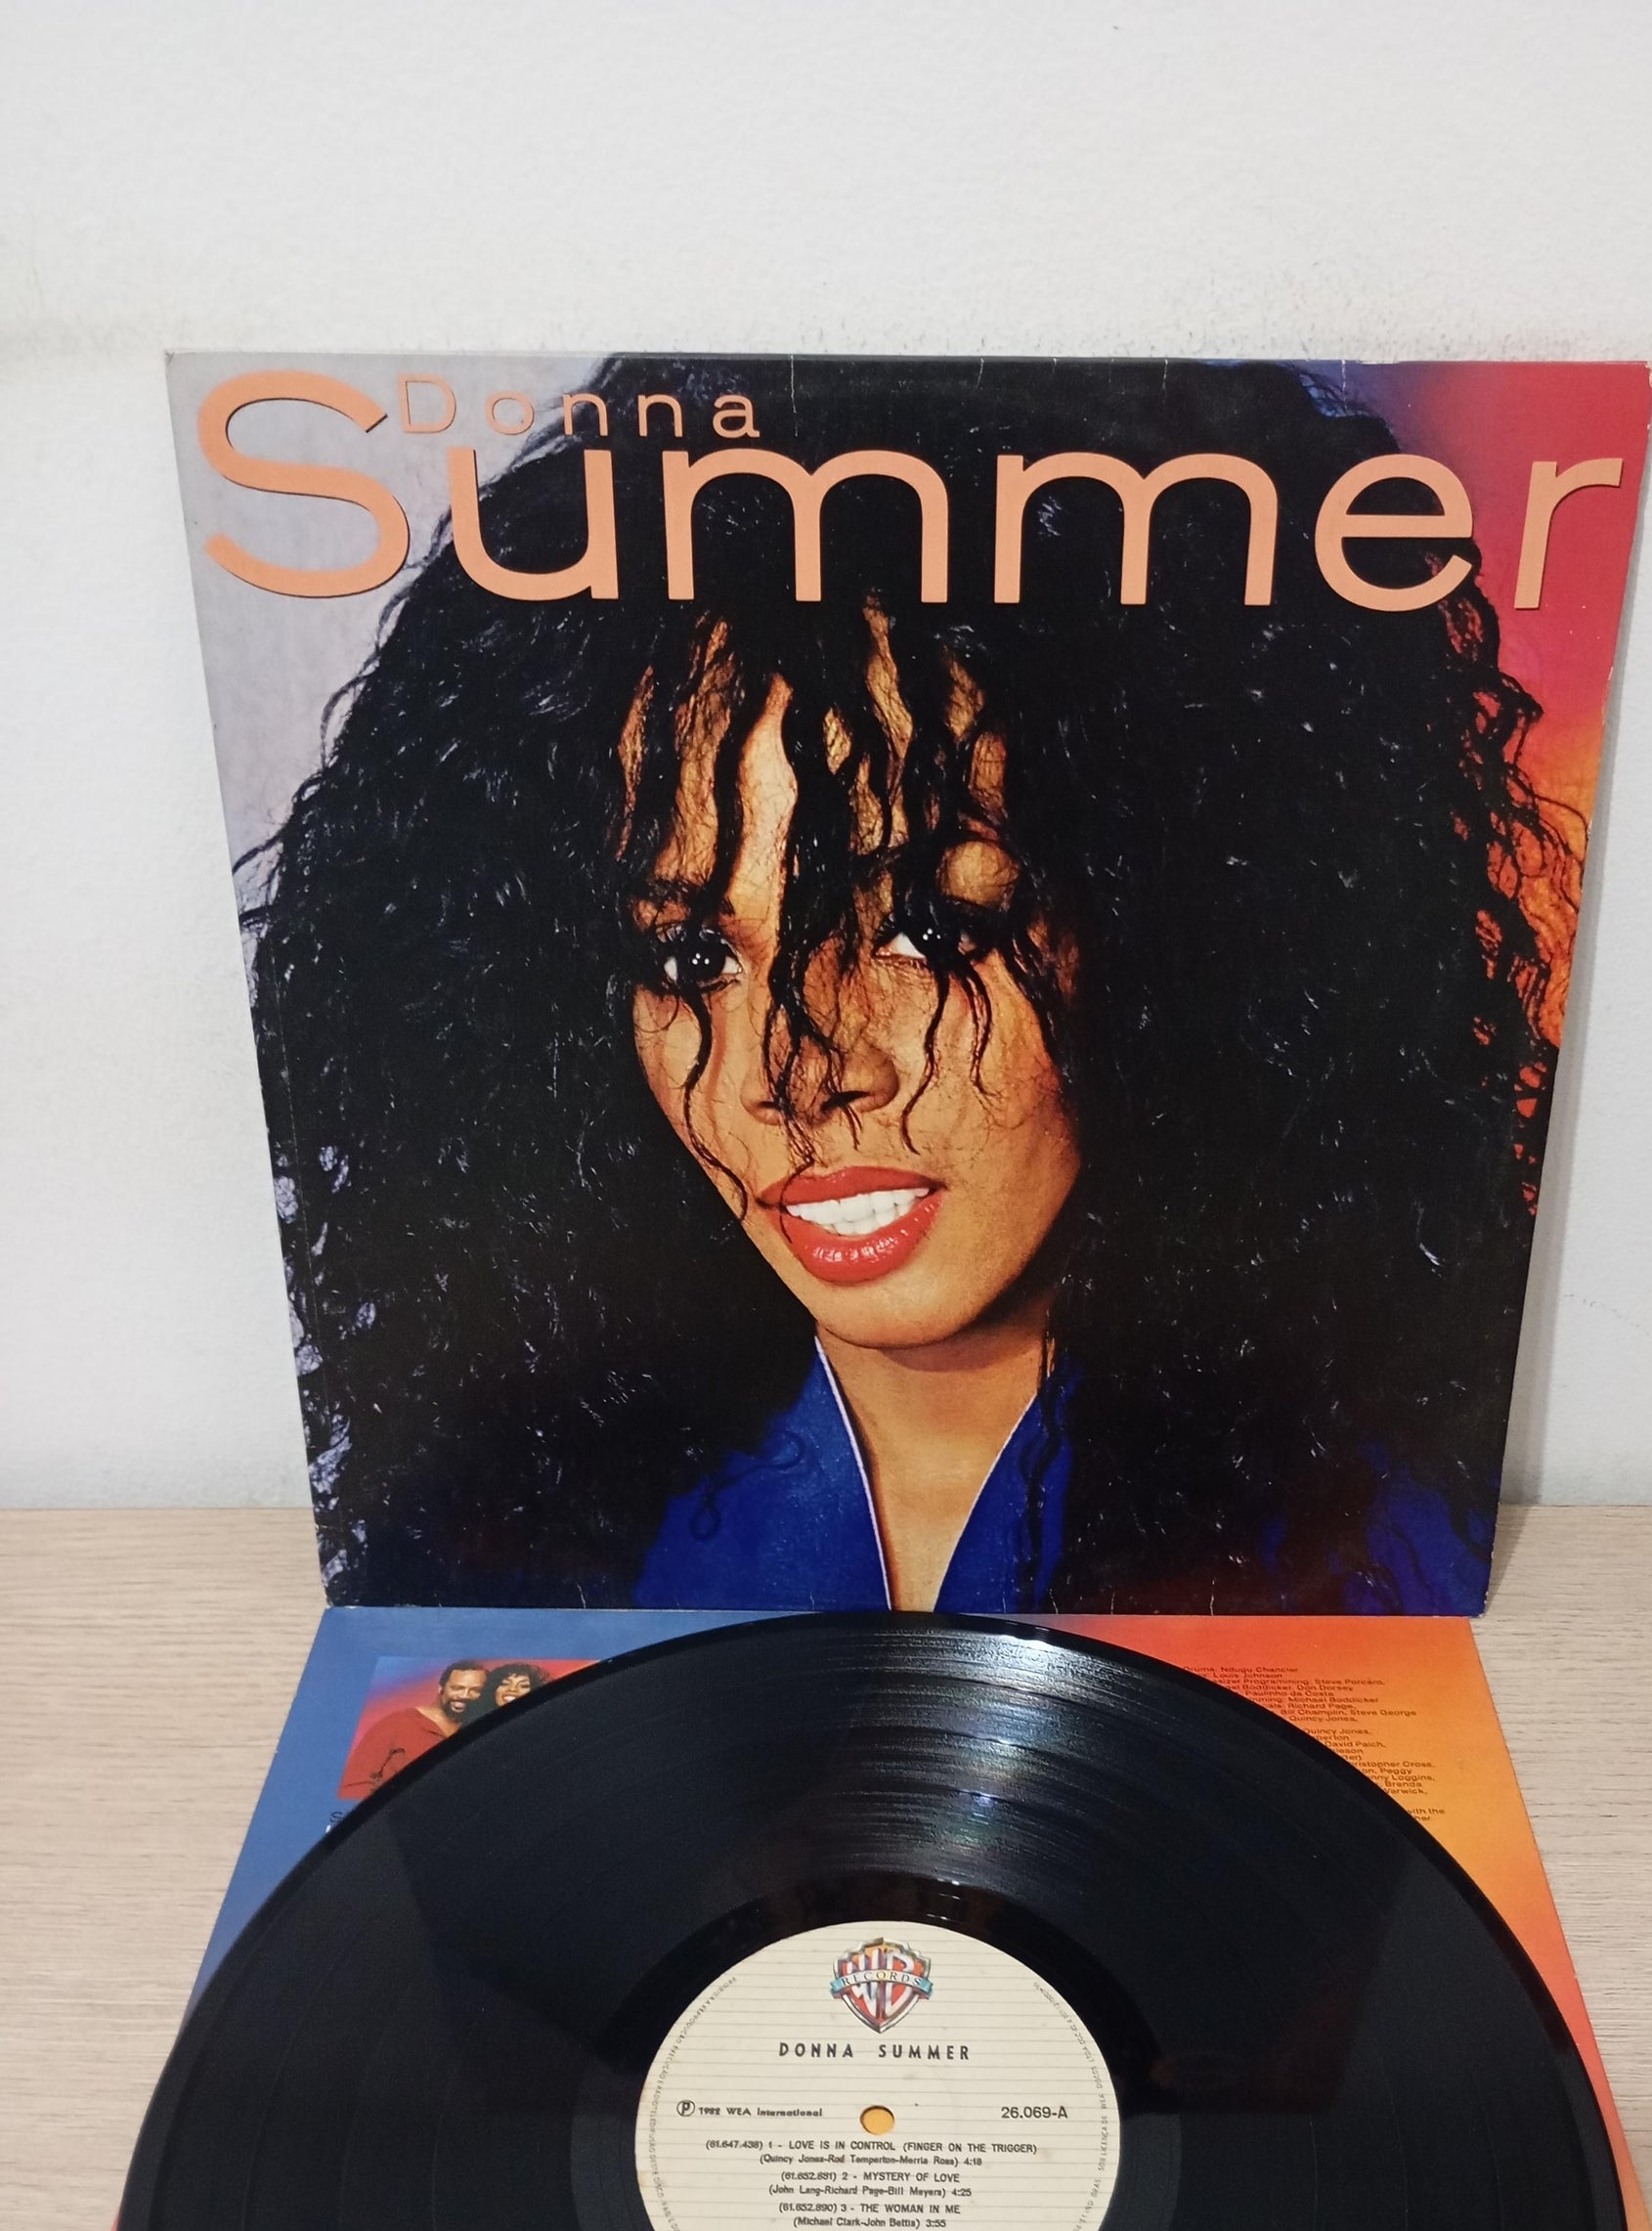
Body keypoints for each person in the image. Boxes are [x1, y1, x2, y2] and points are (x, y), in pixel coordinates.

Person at [254, 360, 1563, 1613]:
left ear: (1179, 928)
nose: (798, 1070)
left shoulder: (1398, 1547)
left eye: (927, 928)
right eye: (691, 957)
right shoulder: (522, 1550)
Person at [337, 1659, 488, 1800]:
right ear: (441, 1688)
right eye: (457, 1688)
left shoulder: (479, 1729)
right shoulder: (398, 1723)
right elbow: (355, 1784)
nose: (464, 1695)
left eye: (475, 1690)